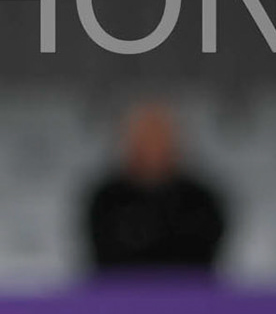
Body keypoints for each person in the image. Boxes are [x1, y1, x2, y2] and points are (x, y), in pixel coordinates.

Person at [84, 101, 227, 273]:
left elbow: (204, 260)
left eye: (160, 136)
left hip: (187, 297)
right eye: (145, 137)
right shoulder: (106, 200)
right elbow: (105, 261)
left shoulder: (201, 200)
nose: (153, 145)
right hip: (123, 296)